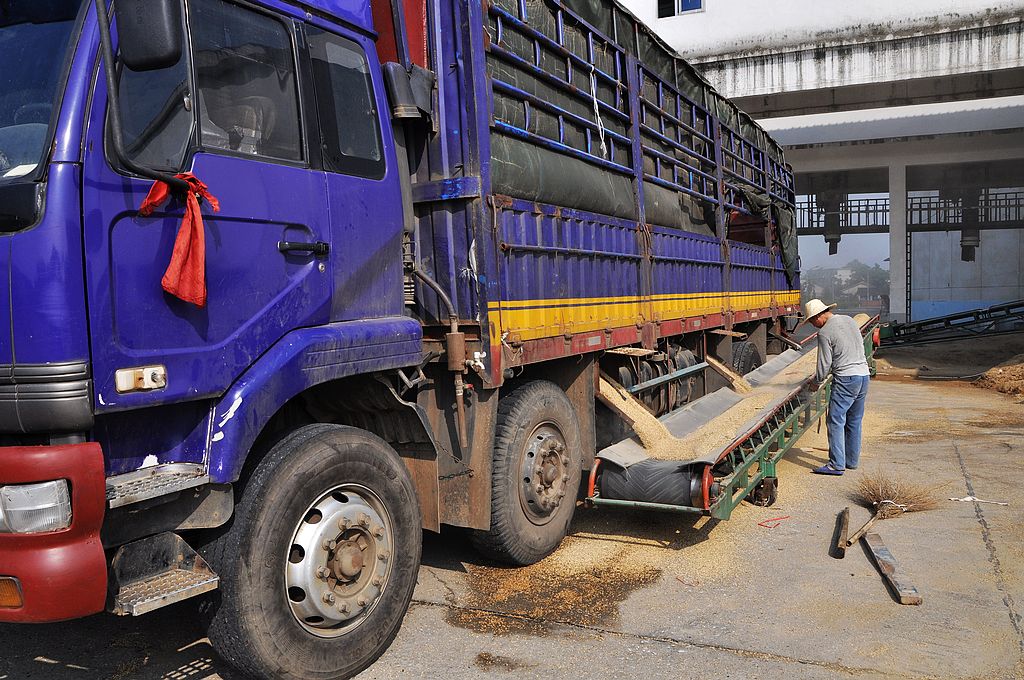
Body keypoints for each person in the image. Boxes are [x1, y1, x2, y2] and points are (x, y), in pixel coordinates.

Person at [801, 299, 870, 476]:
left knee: (835, 420)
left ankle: (836, 464)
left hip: (846, 378)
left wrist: (816, 383)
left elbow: (824, 364)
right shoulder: (849, 320)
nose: (813, 325)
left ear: (818, 316)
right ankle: (851, 461)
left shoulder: (824, 332)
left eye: (811, 321)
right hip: (863, 375)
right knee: (854, 420)